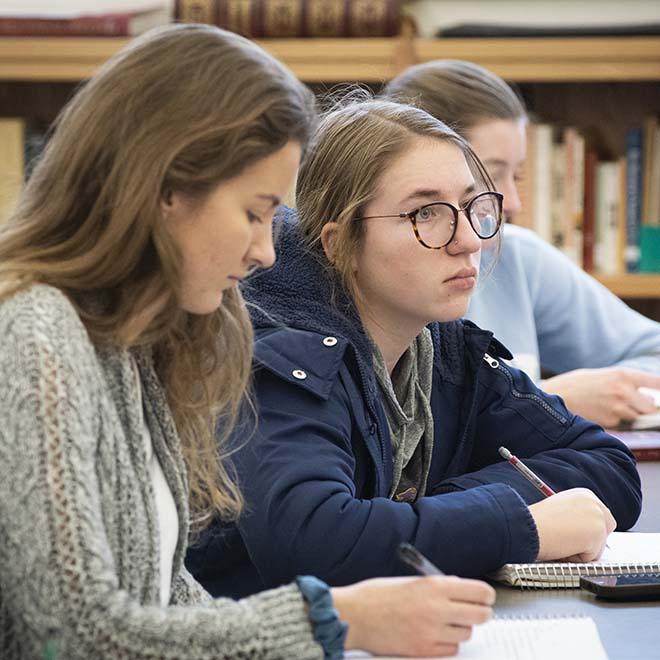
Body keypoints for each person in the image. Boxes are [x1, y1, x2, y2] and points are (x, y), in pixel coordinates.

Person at [0, 26, 497, 660]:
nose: (267, 250)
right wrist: (329, 621)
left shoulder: (136, 343)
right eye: (255, 211)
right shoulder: (37, 332)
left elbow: (166, 593)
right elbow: (69, 634)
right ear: (167, 190)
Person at [186, 97, 640, 600]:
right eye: (427, 213)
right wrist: (520, 526)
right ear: (340, 244)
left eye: (472, 207)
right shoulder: (284, 354)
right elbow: (313, 542)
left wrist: (423, 515)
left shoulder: (440, 344)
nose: (469, 239)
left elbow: (608, 465)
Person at [382, 59, 660, 429]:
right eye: (492, 175)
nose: (511, 203)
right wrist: (546, 401)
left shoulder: (514, 255)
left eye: (518, 175)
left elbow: (651, 351)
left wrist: (595, 395)